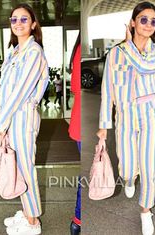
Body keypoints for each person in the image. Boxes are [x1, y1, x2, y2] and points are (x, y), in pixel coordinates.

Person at [97, 2, 155, 235]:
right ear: (133, 22)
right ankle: (129, 179)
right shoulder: (115, 53)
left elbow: (145, 67)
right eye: (144, 19)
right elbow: (107, 90)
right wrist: (103, 126)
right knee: (127, 168)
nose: (149, 24)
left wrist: (128, 45)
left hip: (150, 113)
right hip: (125, 116)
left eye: (153, 21)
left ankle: (146, 211)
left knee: (150, 167)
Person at [0, 3, 49, 235]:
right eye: (14, 19)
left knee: (25, 169)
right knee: (18, 166)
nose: (18, 23)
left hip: (21, 116)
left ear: (33, 24)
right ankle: (26, 213)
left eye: (24, 19)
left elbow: (21, 91)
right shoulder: (16, 51)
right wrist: (2, 118)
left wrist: (1, 122)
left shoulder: (34, 52)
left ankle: (33, 223)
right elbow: (6, 89)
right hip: (13, 114)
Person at [68, 33, 81, 235]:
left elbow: (74, 86)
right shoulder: (80, 49)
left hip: (80, 121)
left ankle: (78, 220)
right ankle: (78, 219)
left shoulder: (77, 48)